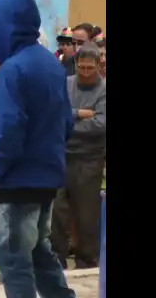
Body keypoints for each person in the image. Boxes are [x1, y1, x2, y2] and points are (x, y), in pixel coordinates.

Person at [0, 0, 75, 298]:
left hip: (18, 179)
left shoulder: (12, 69)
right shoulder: (50, 64)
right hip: (47, 176)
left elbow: (8, 130)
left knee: (14, 259)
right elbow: (66, 122)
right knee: (38, 252)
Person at [51, 42, 107, 269]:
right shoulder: (65, 84)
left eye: (89, 68)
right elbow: (54, 113)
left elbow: (100, 124)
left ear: (98, 67)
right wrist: (79, 114)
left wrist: (67, 120)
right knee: (56, 210)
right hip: (60, 155)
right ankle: (56, 259)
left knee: (86, 215)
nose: (85, 72)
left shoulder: (104, 91)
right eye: (81, 67)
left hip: (89, 159)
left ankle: (87, 261)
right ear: (76, 64)